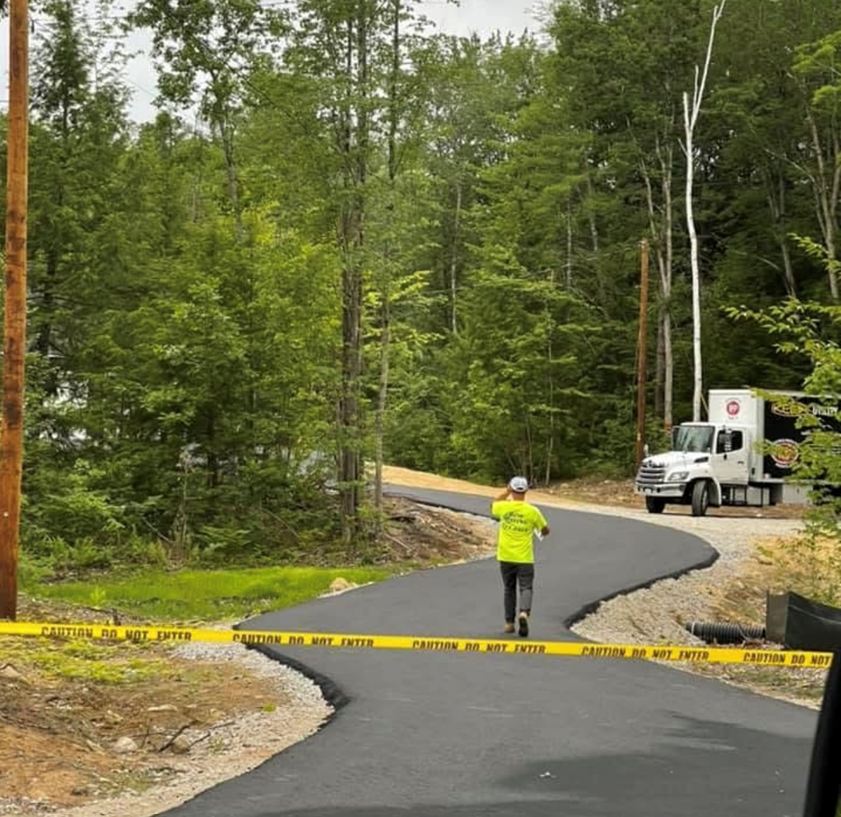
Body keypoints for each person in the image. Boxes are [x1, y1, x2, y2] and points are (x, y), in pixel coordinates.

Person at [490, 476, 550, 638]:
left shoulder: (503, 508)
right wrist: (536, 529)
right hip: (524, 558)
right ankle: (524, 613)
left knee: (509, 589)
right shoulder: (533, 511)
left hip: (506, 556)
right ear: (526, 490)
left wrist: (506, 491)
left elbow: (494, 503)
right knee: (526, 587)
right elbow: (545, 530)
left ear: (512, 489)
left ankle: (509, 623)